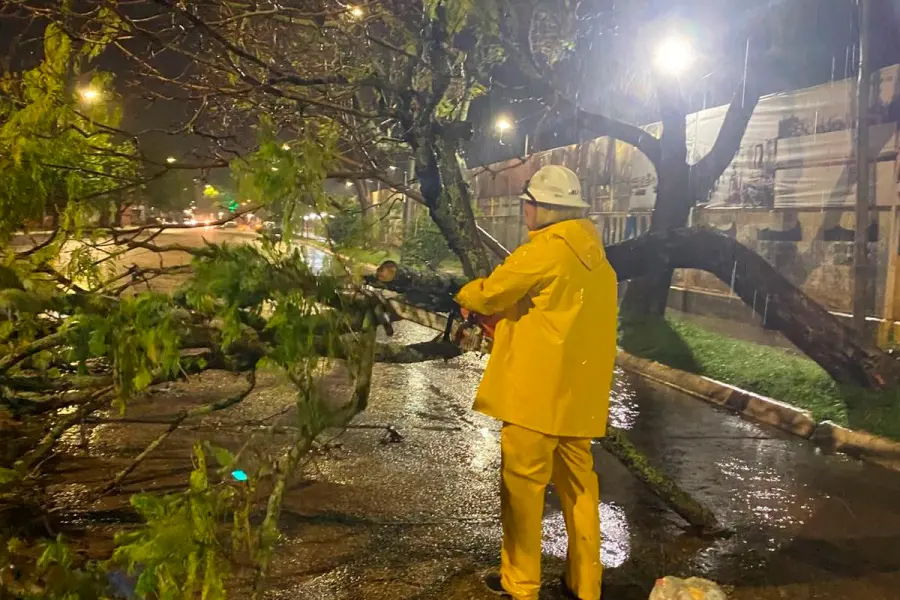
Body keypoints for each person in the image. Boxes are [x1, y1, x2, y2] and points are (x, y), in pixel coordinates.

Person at [454, 165, 618, 600]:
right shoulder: (600, 263)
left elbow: (489, 293)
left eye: (527, 203)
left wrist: (464, 294)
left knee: (522, 494)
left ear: (544, 207)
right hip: (578, 401)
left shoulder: (543, 251)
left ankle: (520, 584)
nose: (524, 211)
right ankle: (586, 585)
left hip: (534, 398)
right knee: (580, 490)